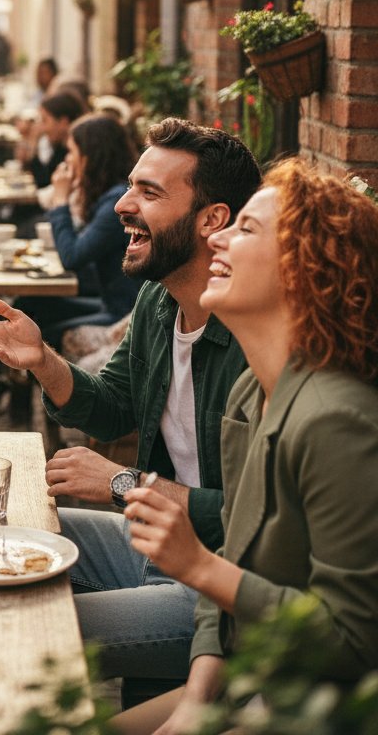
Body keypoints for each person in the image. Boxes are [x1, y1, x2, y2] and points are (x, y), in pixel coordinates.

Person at [0, 119, 261, 698]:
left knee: (19, 626)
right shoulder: (157, 299)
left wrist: (126, 484)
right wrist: (43, 361)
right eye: (130, 187)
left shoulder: (253, 336)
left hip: (219, 591)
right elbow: (114, 408)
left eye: (149, 193)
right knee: (5, 536)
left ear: (212, 219)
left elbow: (253, 520)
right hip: (155, 547)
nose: (123, 205)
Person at [114, 159, 378, 734]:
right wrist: (195, 700)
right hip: (246, 680)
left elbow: (355, 643)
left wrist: (198, 565)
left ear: (305, 270)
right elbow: (230, 570)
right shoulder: (247, 395)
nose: (217, 236)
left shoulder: (339, 421)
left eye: (247, 229)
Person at [18, 113, 140, 348]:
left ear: (91, 157)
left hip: (123, 313)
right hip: (108, 303)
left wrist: (61, 201)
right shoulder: (108, 195)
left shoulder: (117, 202)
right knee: (29, 304)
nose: (68, 160)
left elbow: (72, 257)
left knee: (44, 335)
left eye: (72, 152)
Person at [25, 91, 85, 189]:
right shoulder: (60, 148)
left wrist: (33, 143)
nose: (41, 128)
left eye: (45, 120)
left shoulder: (76, 152)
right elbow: (43, 180)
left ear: (63, 122)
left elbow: (45, 184)